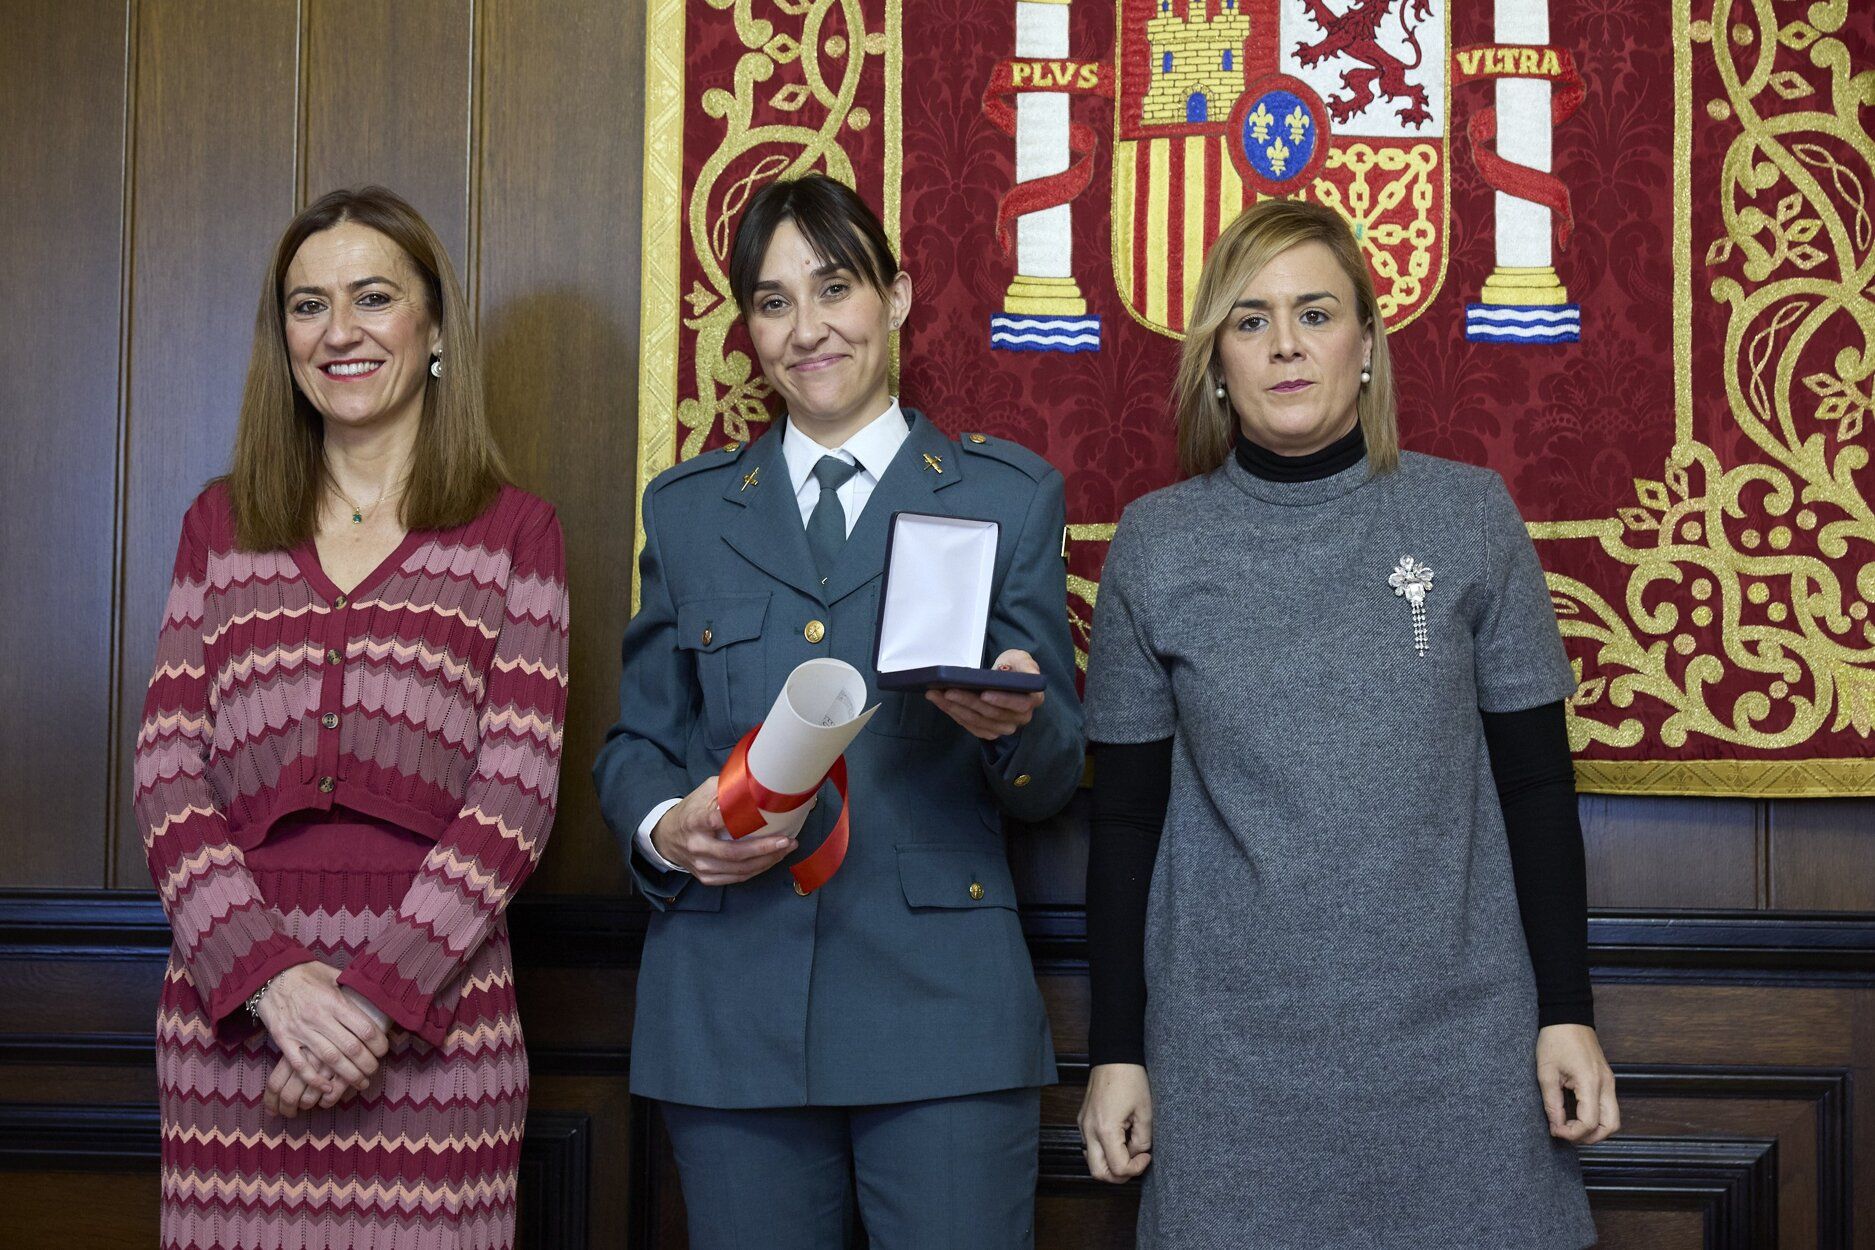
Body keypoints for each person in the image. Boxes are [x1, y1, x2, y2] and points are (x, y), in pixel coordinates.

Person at [1076, 198, 1618, 1248]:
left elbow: (1539, 787)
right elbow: (1127, 824)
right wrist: (1115, 1050)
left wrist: (1569, 1007)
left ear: (1366, 343)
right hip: (1228, 1060)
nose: (1285, 344)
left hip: (1459, 1051)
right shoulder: (1158, 543)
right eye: (1250, 319)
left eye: (1315, 312)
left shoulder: (1468, 517)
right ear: (1215, 360)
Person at [594, 173, 1083, 1249]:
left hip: (942, 1016)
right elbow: (636, 742)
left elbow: (1056, 772)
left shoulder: (1005, 495)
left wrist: (1016, 724)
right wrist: (664, 826)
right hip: (731, 1011)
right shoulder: (685, 513)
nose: (807, 329)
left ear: (896, 297)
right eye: (773, 302)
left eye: (835, 288)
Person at [136, 186, 568, 1250]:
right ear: (282, 337)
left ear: (430, 328)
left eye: (373, 297)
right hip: (235, 1021)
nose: (339, 331)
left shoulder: (517, 532)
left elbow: (514, 795)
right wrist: (277, 984)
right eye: (307, 305)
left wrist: (369, 1005)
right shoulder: (219, 523)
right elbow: (166, 776)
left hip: (438, 1024)